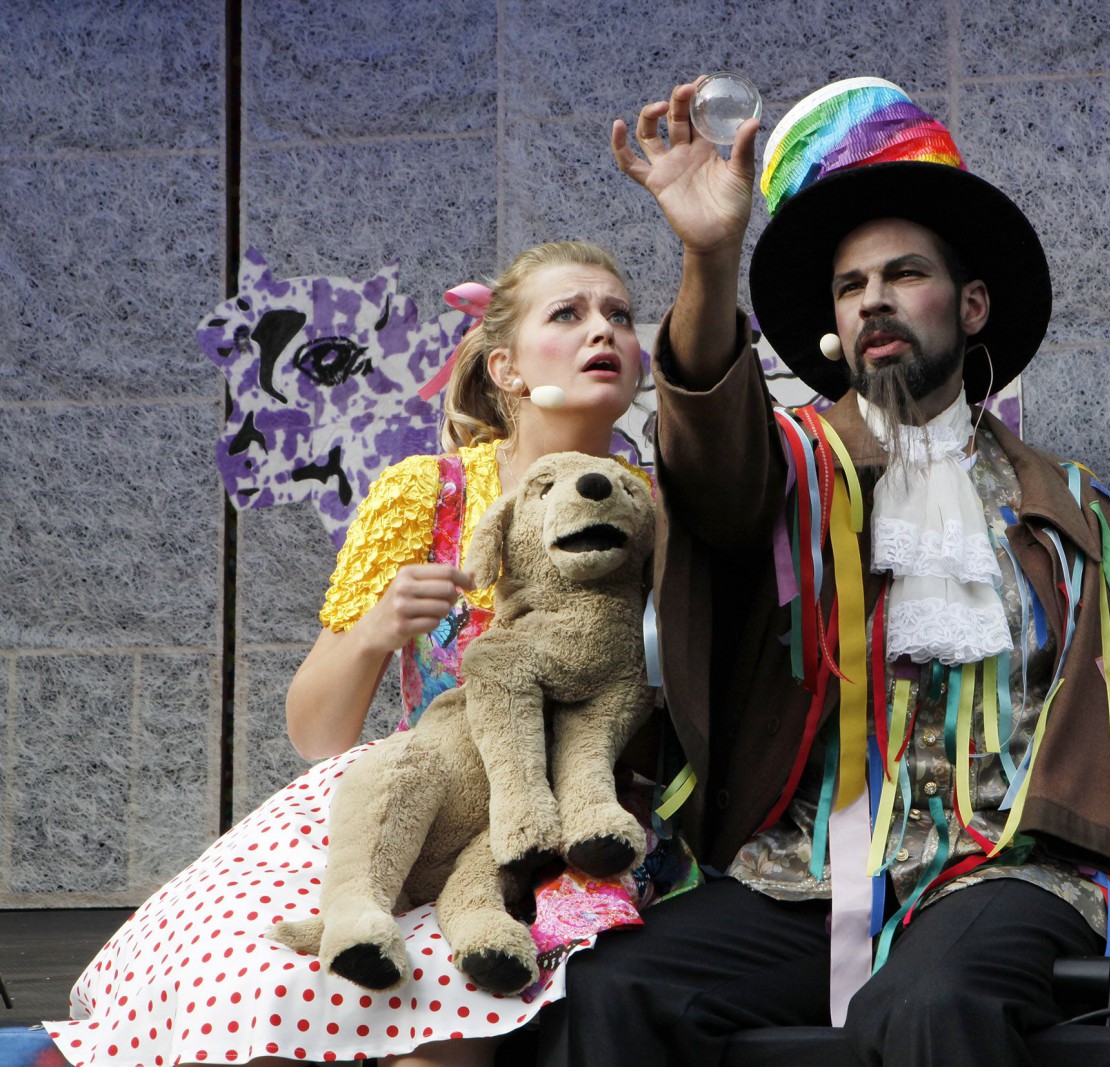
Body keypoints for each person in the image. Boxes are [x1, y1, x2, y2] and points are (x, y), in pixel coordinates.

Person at [532, 78, 1110, 1066]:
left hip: (1010, 870)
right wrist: (708, 255)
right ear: (832, 323)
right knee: (613, 986)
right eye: (850, 284)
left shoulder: (1071, 513)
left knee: (930, 998)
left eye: (903, 274)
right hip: (804, 875)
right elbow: (711, 460)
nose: (874, 299)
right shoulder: (793, 473)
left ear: (971, 302)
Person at [50, 241, 695, 1067]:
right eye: (566, 313)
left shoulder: (660, 506)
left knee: (437, 1019)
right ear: (504, 366)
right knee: (264, 987)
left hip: (569, 828)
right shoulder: (429, 493)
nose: (600, 329)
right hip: (416, 805)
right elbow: (318, 731)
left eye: (617, 313)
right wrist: (373, 632)